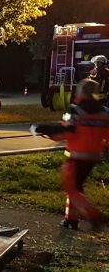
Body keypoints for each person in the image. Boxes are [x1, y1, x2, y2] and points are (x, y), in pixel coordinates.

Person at [34, 78, 109, 230]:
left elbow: (67, 131)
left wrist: (49, 132)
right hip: (94, 156)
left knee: (71, 188)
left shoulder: (75, 110)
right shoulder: (105, 112)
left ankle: (94, 215)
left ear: (80, 91)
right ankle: (71, 219)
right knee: (77, 187)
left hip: (76, 155)